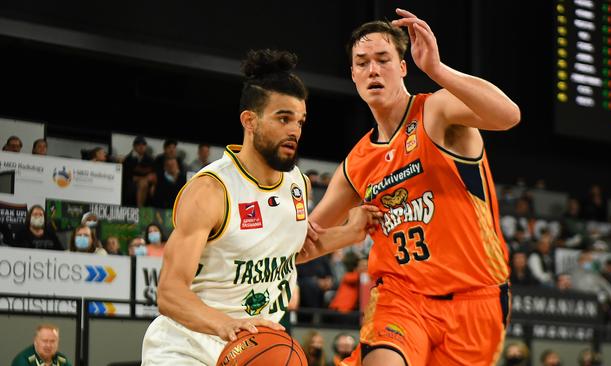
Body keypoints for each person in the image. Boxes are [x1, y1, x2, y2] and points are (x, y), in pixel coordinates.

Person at [300, 9, 520, 366]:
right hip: (401, 298)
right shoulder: (355, 165)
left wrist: (437, 69)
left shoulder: (437, 111)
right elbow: (305, 244)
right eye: (362, 63)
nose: (373, 70)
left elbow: (508, 115)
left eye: (383, 60)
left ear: (403, 67)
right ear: (353, 75)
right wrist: (349, 233)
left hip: (476, 299)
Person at [141, 49, 379, 365]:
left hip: (255, 342)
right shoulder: (211, 190)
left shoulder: (298, 184)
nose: (294, 130)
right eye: (283, 118)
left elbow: (287, 252)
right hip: (189, 344)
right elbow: (169, 293)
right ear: (249, 121)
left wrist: (353, 232)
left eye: (300, 121)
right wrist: (226, 325)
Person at [122, 135, 156, 207]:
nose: (141, 147)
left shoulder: (150, 160)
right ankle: (140, 208)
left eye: (143, 144)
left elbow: (154, 175)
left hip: (147, 183)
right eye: (138, 144)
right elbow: (126, 176)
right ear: (134, 146)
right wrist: (142, 179)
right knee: (143, 183)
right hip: (131, 184)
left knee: (145, 183)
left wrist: (154, 184)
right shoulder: (128, 159)